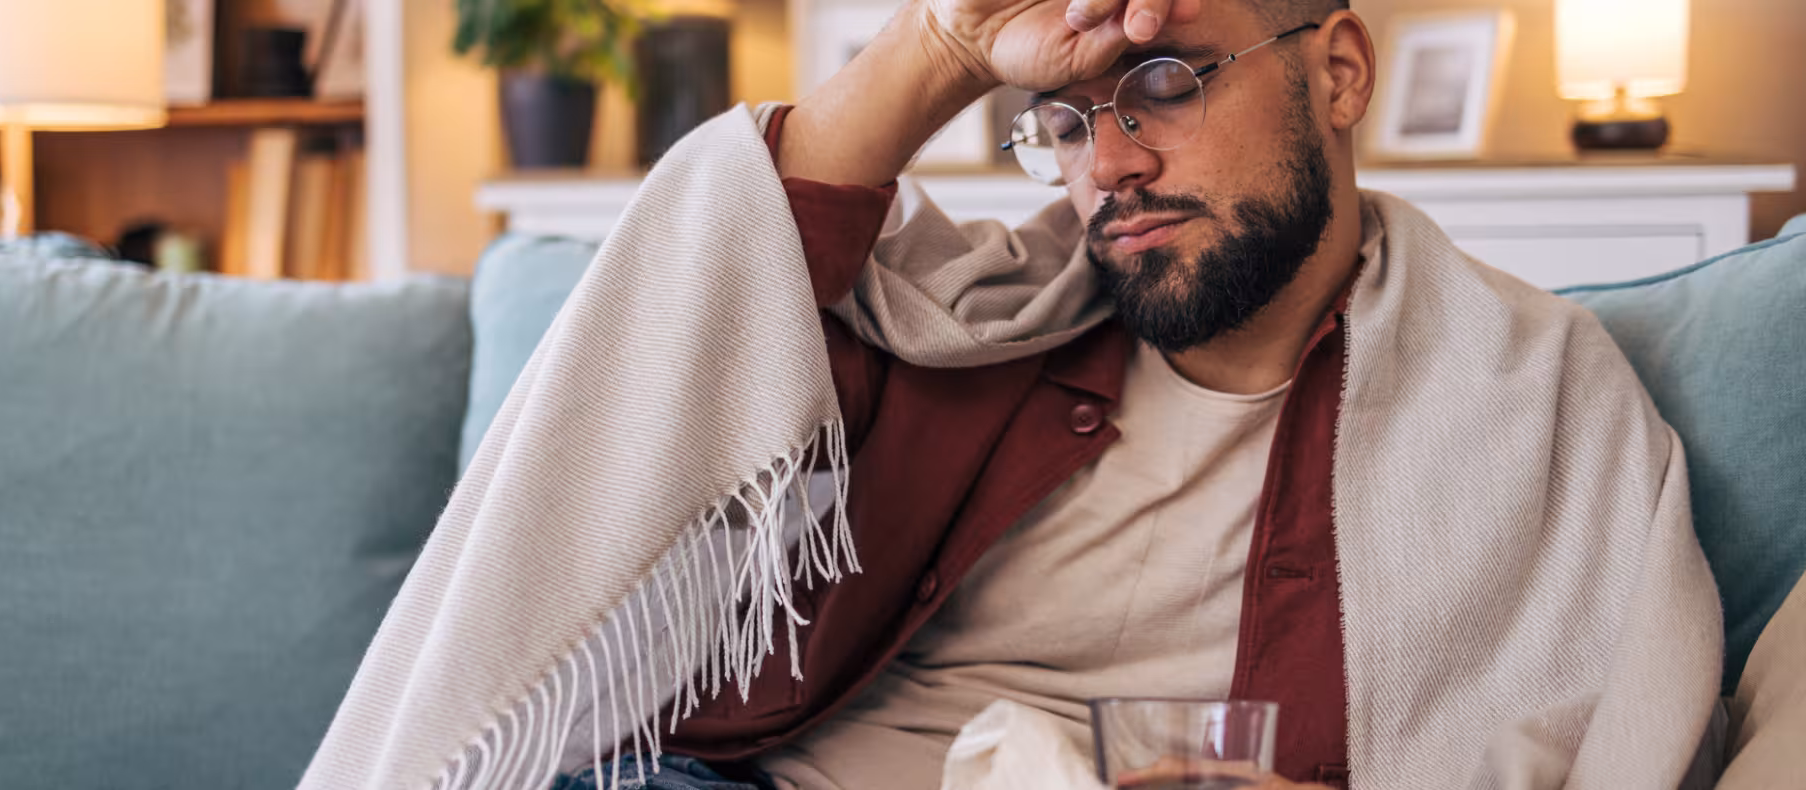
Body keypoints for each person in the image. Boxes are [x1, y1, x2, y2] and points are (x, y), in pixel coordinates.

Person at [522, 0, 1725, 787]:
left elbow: (1633, 729)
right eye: (1061, 118)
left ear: (1340, 74)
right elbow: (702, 308)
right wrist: (941, 46)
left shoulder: (1529, 394)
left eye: (1164, 83)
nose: (1108, 164)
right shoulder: (966, 328)